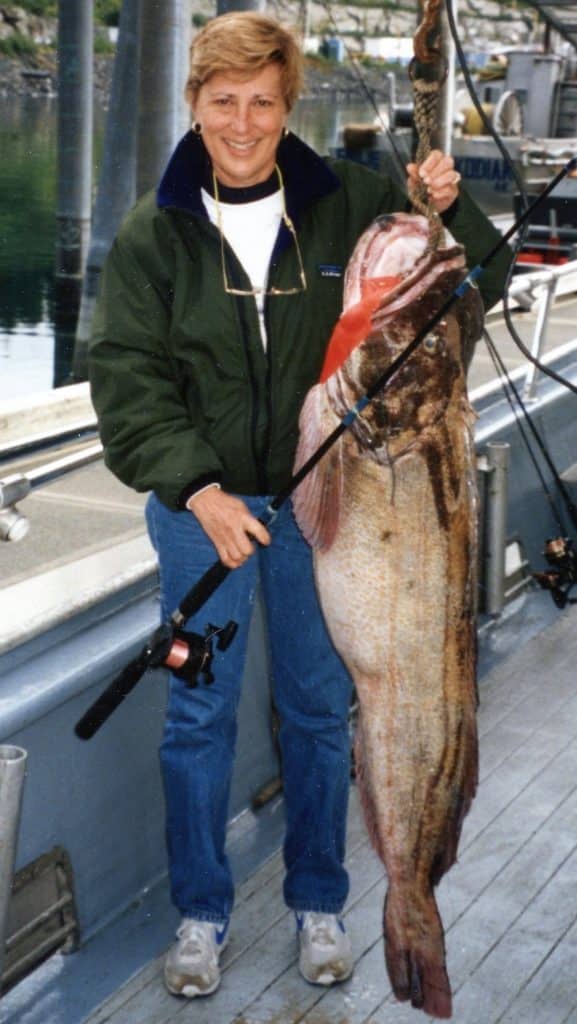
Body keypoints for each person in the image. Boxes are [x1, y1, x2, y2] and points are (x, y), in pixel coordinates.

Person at [88, 12, 511, 1001]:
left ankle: (323, 898)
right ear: (194, 105)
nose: (243, 122)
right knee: (196, 719)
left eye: (263, 103)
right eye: (223, 102)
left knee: (319, 711)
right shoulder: (155, 239)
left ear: (288, 106)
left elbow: (465, 286)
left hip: (335, 506)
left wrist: (456, 209)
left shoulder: (348, 203)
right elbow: (126, 380)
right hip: (203, 512)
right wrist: (198, 490)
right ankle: (201, 916)